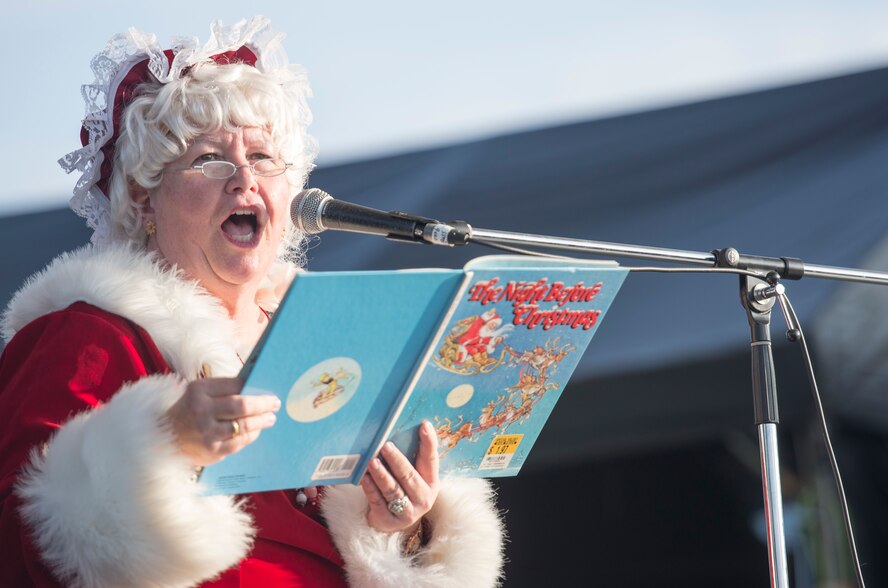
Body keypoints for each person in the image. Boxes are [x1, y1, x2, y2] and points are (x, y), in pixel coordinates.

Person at [0, 16, 504, 587]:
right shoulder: (84, 336)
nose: (244, 181)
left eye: (264, 159)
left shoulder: (337, 337)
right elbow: (26, 546)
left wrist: (399, 530)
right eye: (210, 159)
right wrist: (162, 443)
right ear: (143, 199)